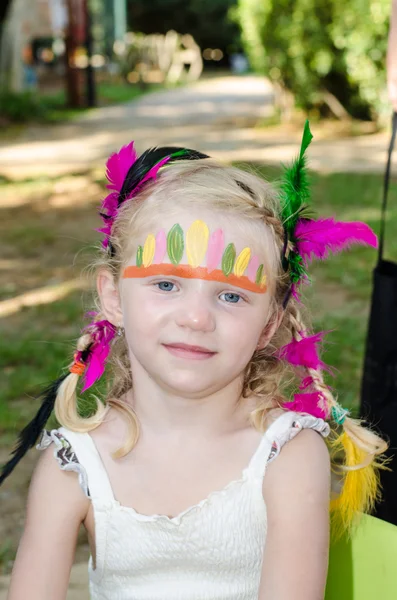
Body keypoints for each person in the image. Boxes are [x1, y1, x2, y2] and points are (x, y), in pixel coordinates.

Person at [1, 122, 388, 600]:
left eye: (231, 296)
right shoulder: (77, 462)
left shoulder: (286, 454)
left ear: (270, 322)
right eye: (166, 284)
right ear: (113, 296)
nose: (196, 318)